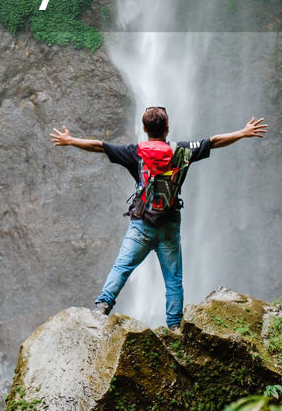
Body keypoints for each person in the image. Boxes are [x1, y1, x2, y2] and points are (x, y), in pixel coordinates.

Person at [50, 105, 268, 329]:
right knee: (173, 280)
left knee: (122, 267)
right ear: (167, 128)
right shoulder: (183, 150)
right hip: (169, 224)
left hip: (141, 224)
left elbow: (100, 146)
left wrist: (70, 140)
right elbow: (213, 141)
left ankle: (103, 306)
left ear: (143, 128)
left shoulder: (134, 152)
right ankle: (174, 327)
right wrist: (242, 132)